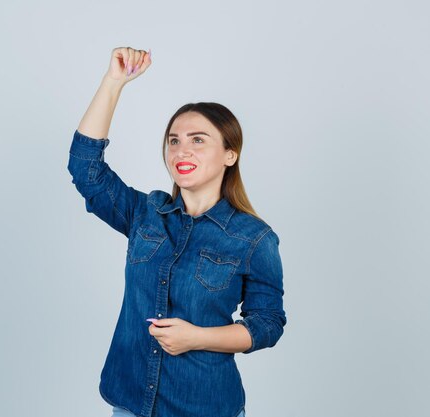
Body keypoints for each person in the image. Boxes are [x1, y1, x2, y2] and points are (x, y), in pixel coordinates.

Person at [67, 46, 286, 417]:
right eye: (174, 140)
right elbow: (85, 168)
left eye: (198, 140)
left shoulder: (254, 238)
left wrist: (197, 338)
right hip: (131, 402)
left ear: (229, 154)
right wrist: (113, 82)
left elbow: (267, 324)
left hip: (204, 406)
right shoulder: (146, 214)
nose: (181, 151)